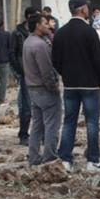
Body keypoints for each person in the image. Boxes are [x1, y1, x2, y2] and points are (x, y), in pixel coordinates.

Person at [52, 0, 100, 173]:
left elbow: (55, 60)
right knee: (92, 123)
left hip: (70, 85)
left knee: (69, 122)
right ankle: (92, 161)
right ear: (83, 9)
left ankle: (65, 160)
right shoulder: (89, 32)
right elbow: (98, 60)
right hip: (90, 85)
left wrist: (66, 74)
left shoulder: (61, 32)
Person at [23, 13, 61, 166]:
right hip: (44, 89)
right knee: (52, 125)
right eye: (45, 23)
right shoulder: (40, 45)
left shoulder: (28, 42)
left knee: (37, 126)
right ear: (38, 25)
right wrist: (54, 88)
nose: (48, 25)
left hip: (33, 88)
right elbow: (46, 71)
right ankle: (50, 156)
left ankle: (34, 157)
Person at [10, 7, 37, 146]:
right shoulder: (17, 34)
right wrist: (20, 70)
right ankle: (23, 133)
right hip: (25, 73)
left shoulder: (38, 33)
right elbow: (12, 54)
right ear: (29, 16)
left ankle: (40, 133)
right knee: (26, 106)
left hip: (38, 73)